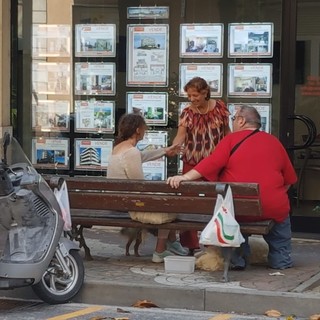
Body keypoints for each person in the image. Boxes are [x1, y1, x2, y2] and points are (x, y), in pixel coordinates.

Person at [167, 105, 297, 270]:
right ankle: (281, 259)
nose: (233, 122)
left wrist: (184, 177)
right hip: (272, 209)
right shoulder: (274, 142)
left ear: (242, 121)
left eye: (234, 118)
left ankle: (237, 259)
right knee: (281, 219)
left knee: (231, 213)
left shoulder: (230, 140)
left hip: (239, 210)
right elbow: (290, 179)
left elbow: (210, 163)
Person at [107, 113, 188, 263]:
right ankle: (160, 251)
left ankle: (172, 242)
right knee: (168, 204)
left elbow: (142, 156)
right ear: (138, 130)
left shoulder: (119, 148)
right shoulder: (131, 152)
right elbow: (139, 184)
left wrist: (166, 150)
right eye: (144, 129)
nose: (145, 131)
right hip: (130, 206)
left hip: (120, 202)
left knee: (166, 202)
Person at [173, 76, 231, 255]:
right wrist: (174, 146)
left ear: (205, 92)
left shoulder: (220, 107)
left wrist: (231, 150)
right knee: (188, 202)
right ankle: (190, 245)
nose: (192, 99)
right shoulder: (187, 112)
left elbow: (227, 132)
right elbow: (181, 135)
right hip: (192, 161)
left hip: (215, 162)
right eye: (189, 96)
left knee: (214, 201)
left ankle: (213, 242)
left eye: (195, 95)